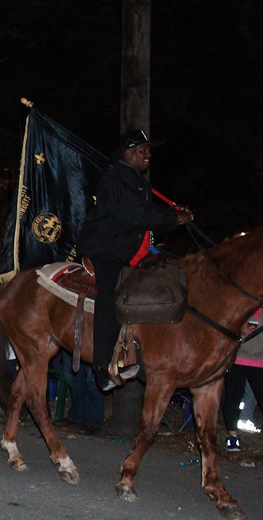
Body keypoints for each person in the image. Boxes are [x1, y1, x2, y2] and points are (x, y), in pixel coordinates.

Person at [77, 130, 192, 391]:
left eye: (149, 150)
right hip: (108, 248)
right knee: (110, 296)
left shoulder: (138, 182)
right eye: (143, 150)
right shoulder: (117, 179)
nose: (149, 154)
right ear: (128, 153)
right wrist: (173, 218)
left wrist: (174, 214)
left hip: (132, 249)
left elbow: (149, 215)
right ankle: (103, 366)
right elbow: (135, 216)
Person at [223, 306, 263, 456]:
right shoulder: (244, 301)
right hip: (238, 359)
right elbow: (226, 325)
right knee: (232, 399)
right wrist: (240, 331)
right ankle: (233, 438)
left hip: (260, 360)